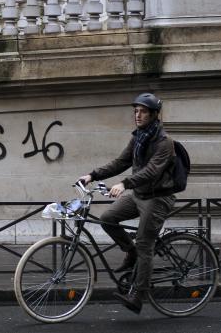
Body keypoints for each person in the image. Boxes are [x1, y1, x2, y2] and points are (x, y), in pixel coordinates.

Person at [76, 92, 176, 314]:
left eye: (142, 112)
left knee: (145, 244)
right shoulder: (139, 136)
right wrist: (93, 175)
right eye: (136, 112)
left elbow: (151, 172)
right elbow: (121, 162)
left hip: (158, 197)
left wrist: (124, 184)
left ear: (153, 115)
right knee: (108, 218)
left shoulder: (164, 142)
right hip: (140, 194)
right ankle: (130, 253)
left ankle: (138, 296)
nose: (138, 116)